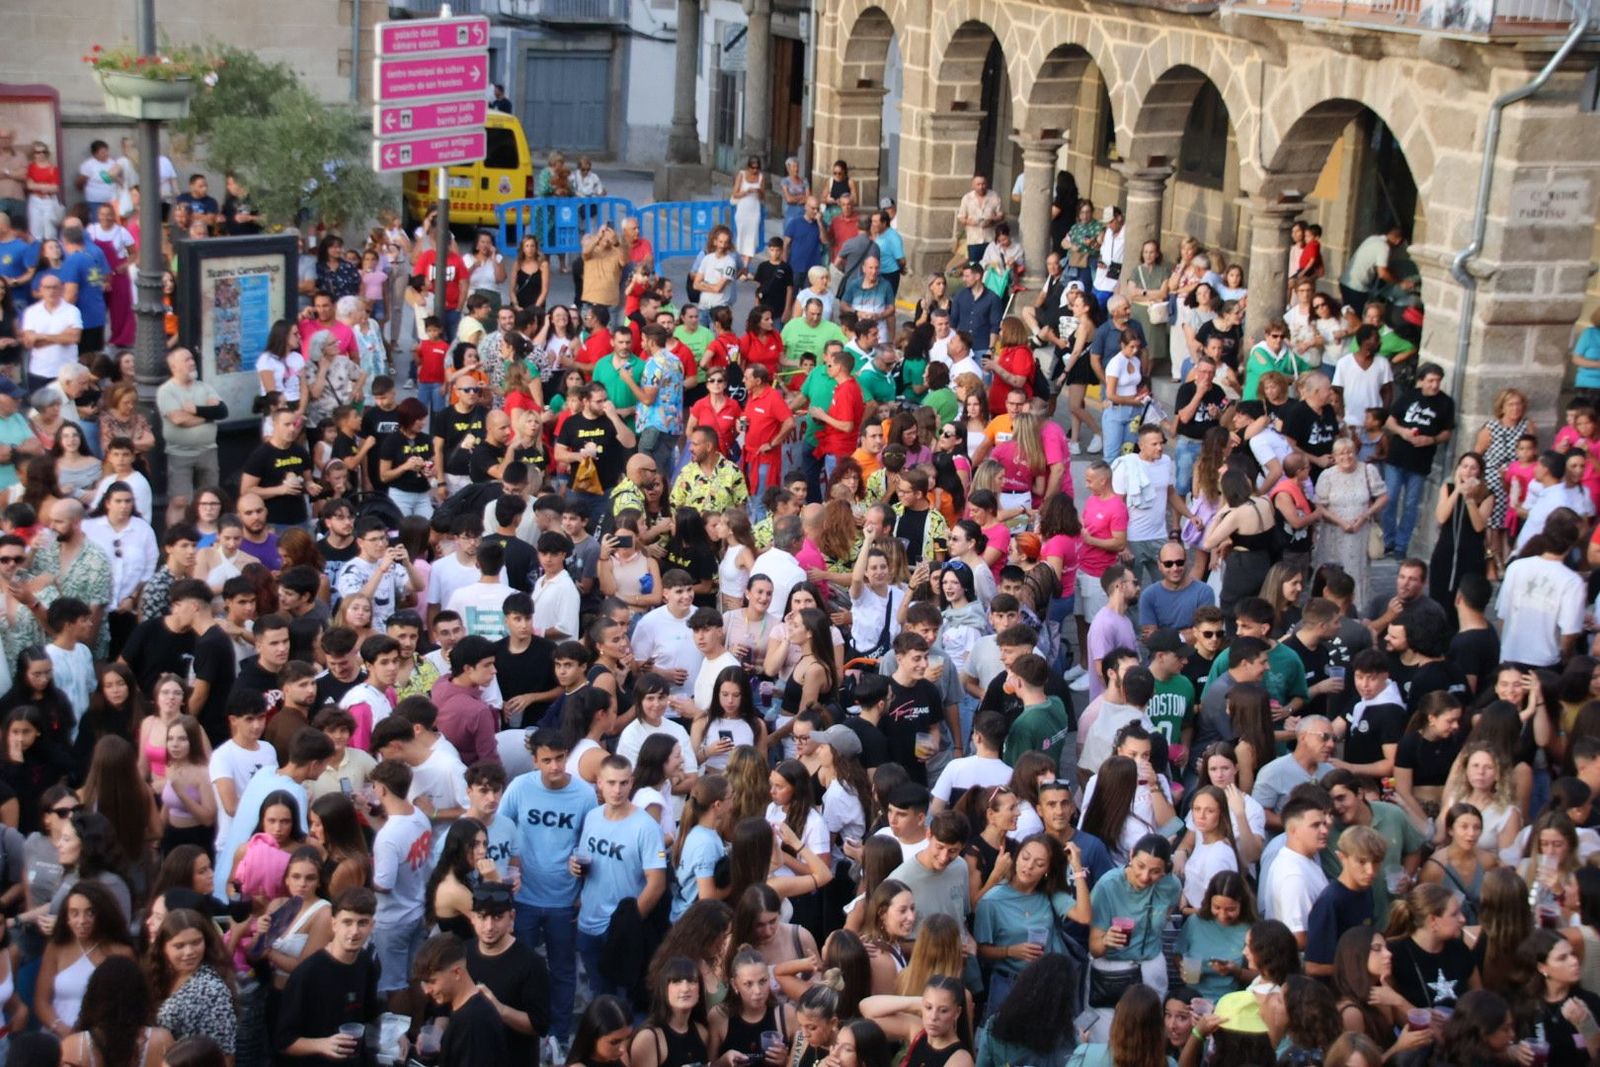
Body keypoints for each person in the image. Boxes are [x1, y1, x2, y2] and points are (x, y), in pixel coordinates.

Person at [414, 932, 510, 1064]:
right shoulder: (465, 1012)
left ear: (457, 973)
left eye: (432, 981)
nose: (426, 990)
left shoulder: (473, 1022)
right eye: (424, 983)